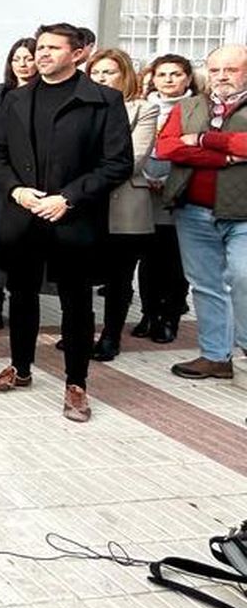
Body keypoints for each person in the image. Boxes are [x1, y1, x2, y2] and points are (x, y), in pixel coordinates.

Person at [0, 23, 132, 421]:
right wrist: (17, 191)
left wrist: (68, 198)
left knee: (77, 304)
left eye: (52, 47)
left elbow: (117, 163)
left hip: (73, 219)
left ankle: (76, 384)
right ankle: (21, 368)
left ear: (78, 52)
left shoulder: (104, 100)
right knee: (22, 296)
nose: (42, 54)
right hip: (24, 214)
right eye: (40, 47)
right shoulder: (16, 99)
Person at [154, 44, 247, 382]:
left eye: (231, 69)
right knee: (205, 285)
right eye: (216, 69)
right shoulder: (190, 105)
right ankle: (215, 356)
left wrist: (204, 140)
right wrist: (224, 156)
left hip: (243, 213)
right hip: (193, 211)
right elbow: (166, 146)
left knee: (243, 277)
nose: (222, 76)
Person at [85, 48, 158, 361]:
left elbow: (133, 159)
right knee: (81, 273)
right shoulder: (83, 108)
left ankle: (111, 335)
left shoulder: (143, 109)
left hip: (124, 201)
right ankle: (79, 330)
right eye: (96, 72)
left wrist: (85, 176)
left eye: (109, 72)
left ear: (125, 75)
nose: (102, 78)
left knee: (119, 276)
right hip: (85, 203)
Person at [0, 38, 38, 329]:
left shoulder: (45, 93)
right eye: (17, 59)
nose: (23, 64)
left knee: (25, 244)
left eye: (28, 58)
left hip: (34, 181)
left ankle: (20, 298)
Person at [136, 53, 196, 344]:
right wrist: (145, 177)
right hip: (145, 189)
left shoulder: (197, 108)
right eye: (162, 74)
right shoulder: (146, 107)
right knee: (148, 258)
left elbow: (194, 149)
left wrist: (169, 181)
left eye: (175, 74)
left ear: (187, 77)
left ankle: (169, 316)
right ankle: (148, 313)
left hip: (179, 190)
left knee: (173, 259)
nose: (169, 80)